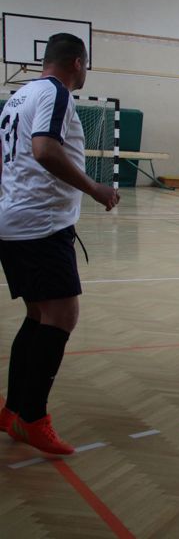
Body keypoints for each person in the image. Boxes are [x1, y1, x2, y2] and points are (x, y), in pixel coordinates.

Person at [0, 33, 119, 454]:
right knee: (63, 315)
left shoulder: (17, 98)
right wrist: (95, 188)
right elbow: (44, 150)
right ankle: (33, 418)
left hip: (15, 221)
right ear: (77, 62)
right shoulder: (56, 93)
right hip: (41, 223)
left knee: (38, 316)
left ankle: (13, 410)